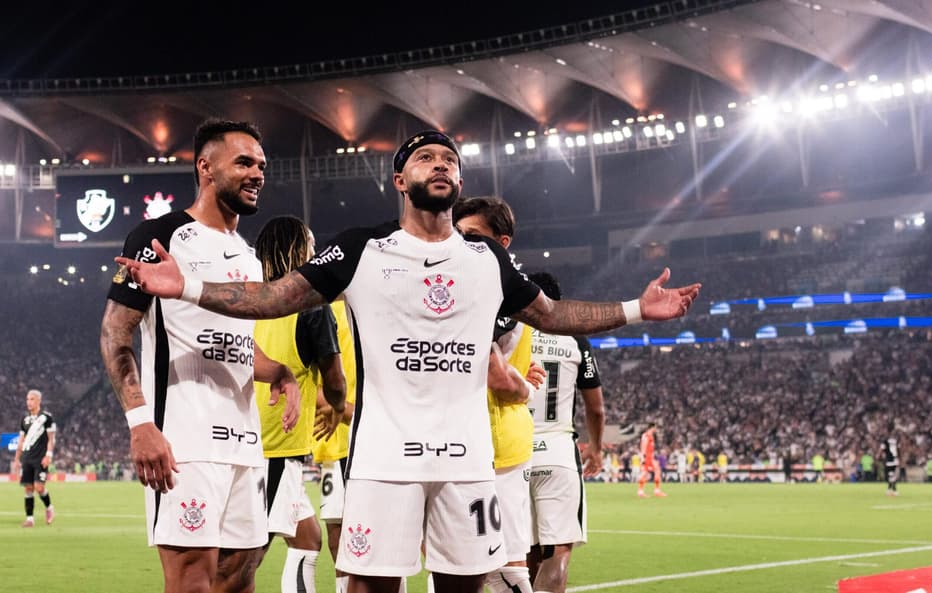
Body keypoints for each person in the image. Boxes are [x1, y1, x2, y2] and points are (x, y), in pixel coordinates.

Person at [114, 128, 701, 593]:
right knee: (369, 586)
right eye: (425, 158)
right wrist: (187, 286)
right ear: (400, 179)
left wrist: (635, 309)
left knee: (466, 586)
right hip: (382, 463)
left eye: (449, 160)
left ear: (459, 180)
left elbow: (551, 314)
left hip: (468, 463)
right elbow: (275, 297)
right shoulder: (361, 248)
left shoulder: (486, 258)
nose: (440, 165)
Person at [99, 119, 302, 593]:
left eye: (262, 166)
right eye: (244, 163)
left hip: (245, 443)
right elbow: (114, 333)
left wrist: (279, 371)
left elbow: (235, 344)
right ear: (206, 167)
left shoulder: (247, 256)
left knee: (240, 577)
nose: (257, 174)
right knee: (192, 580)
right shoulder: (160, 237)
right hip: (185, 443)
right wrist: (140, 424)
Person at [253, 216, 347, 593]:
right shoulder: (310, 306)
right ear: (299, 250)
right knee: (244, 559)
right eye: (310, 244)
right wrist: (337, 405)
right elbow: (335, 379)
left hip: (253, 437)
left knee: (307, 538)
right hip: (277, 445)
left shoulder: (249, 298)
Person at [453, 196, 541, 593]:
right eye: (458, 233)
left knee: (502, 565)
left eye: (473, 235)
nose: (462, 242)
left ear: (502, 243)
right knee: (465, 561)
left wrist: (523, 387)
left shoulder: (499, 292)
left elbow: (497, 375)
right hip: (490, 440)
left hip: (492, 443)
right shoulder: (516, 290)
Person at [523, 272, 605, 593]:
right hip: (558, 452)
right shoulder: (575, 339)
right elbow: (596, 409)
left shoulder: (512, 333)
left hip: (515, 454)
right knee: (556, 553)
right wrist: (596, 448)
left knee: (526, 553)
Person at [312, 298, 358, 593]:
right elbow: (301, 379)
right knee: (338, 534)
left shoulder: (373, 311)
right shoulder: (320, 313)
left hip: (372, 441)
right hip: (335, 442)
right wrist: (345, 408)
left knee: (383, 535)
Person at [12, 389, 56, 527]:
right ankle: (30, 519)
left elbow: (51, 439)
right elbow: (21, 440)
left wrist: (48, 455)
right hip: (27, 458)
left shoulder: (46, 418)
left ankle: (49, 507)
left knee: (39, 487)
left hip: (40, 458)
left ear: (38, 401)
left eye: (32, 399)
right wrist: (17, 459)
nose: (28, 402)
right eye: (27, 399)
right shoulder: (24, 420)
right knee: (28, 488)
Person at [637, 423, 666, 498]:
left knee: (657, 470)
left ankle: (656, 491)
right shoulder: (646, 436)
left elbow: (650, 448)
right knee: (645, 474)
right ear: (652, 427)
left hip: (650, 457)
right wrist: (643, 458)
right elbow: (643, 447)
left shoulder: (651, 436)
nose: (656, 429)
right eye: (655, 428)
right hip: (647, 457)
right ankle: (641, 491)